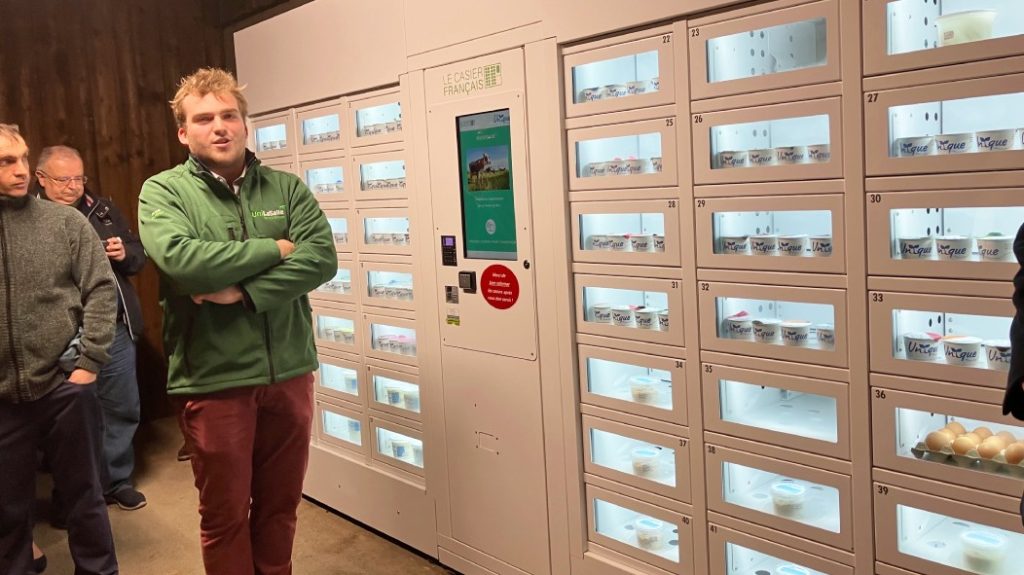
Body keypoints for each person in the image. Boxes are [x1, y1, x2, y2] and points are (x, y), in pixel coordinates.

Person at [138, 68, 335, 575]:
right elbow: (184, 262)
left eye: (230, 115)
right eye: (204, 119)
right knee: (225, 516)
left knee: (280, 508)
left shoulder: (287, 189)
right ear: (184, 132)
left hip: (290, 372)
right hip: (214, 378)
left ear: (245, 124)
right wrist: (274, 248)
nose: (220, 127)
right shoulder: (163, 193)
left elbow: (320, 259)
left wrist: (244, 293)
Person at [0, 123, 119, 574]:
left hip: (63, 388)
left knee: (85, 499)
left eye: (23, 159)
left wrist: (88, 364)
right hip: (4, 399)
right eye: (6, 162)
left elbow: (101, 290)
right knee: (9, 510)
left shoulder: (63, 221)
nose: (21, 171)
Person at [34, 145, 148, 511]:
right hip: (61, 337)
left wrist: (123, 253)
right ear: (41, 179)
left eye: (79, 178)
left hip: (114, 330)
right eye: (63, 179)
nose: (73, 187)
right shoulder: (29, 218)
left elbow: (137, 255)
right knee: (68, 420)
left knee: (121, 408)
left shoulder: (101, 209)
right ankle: (72, 495)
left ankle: (116, 481)